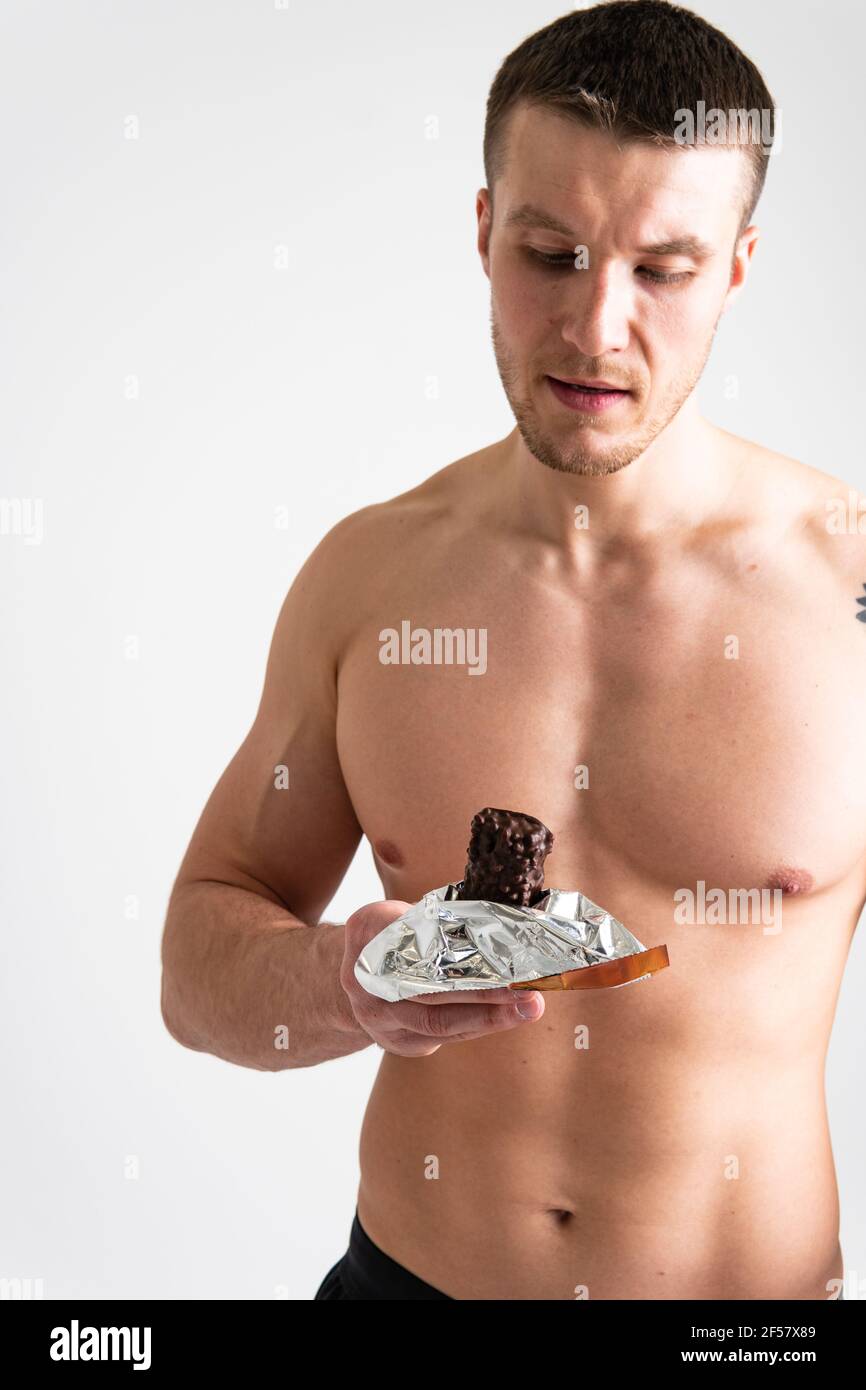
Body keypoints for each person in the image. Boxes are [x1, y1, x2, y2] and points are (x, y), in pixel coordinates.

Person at [160, 0, 862, 1300]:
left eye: (663, 269)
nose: (596, 328)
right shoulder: (371, 576)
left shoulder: (849, 590)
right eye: (551, 251)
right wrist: (339, 979)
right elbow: (196, 971)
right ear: (482, 229)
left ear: (738, 267)